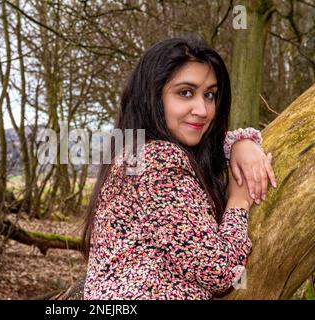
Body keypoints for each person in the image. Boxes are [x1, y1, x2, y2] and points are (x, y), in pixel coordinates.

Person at [82, 35, 277, 300]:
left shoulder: (133, 152)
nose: (203, 109)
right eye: (185, 93)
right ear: (152, 96)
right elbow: (219, 273)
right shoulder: (158, 160)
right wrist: (238, 203)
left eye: (210, 95)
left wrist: (241, 143)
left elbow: (212, 147)